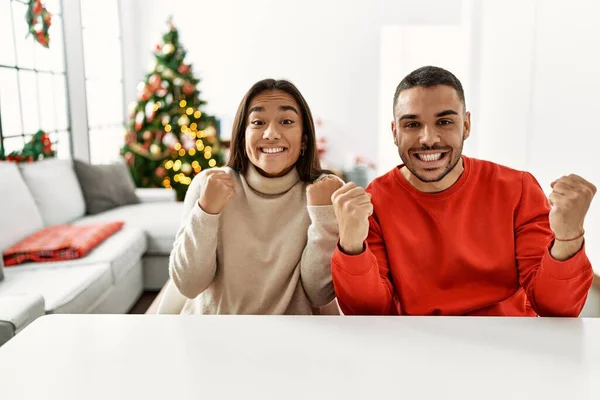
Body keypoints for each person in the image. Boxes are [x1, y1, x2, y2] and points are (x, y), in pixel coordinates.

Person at [331, 66, 596, 317]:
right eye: (412, 124)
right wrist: (352, 245)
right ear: (395, 132)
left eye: (444, 122)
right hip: (414, 348)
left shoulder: (518, 189)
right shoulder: (374, 201)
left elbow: (555, 308)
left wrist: (568, 238)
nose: (428, 139)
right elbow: (367, 313)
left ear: (466, 125)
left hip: (508, 347)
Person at [156, 78, 342, 315]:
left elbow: (319, 293)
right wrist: (206, 211)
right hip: (212, 334)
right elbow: (188, 285)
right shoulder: (208, 184)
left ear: (304, 139)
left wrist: (323, 215)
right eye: (258, 122)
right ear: (243, 138)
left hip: (291, 339)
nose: (271, 133)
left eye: (286, 121)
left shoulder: (325, 193)